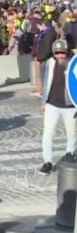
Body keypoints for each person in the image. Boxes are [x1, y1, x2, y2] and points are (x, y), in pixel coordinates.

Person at [39, 38, 77, 174]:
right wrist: (44, 102)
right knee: (48, 133)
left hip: (70, 105)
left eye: (62, 53)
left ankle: (70, 153)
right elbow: (46, 83)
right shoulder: (50, 63)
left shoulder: (74, 62)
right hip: (52, 104)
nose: (59, 55)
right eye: (57, 53)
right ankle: (47, 161)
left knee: (72, 133)